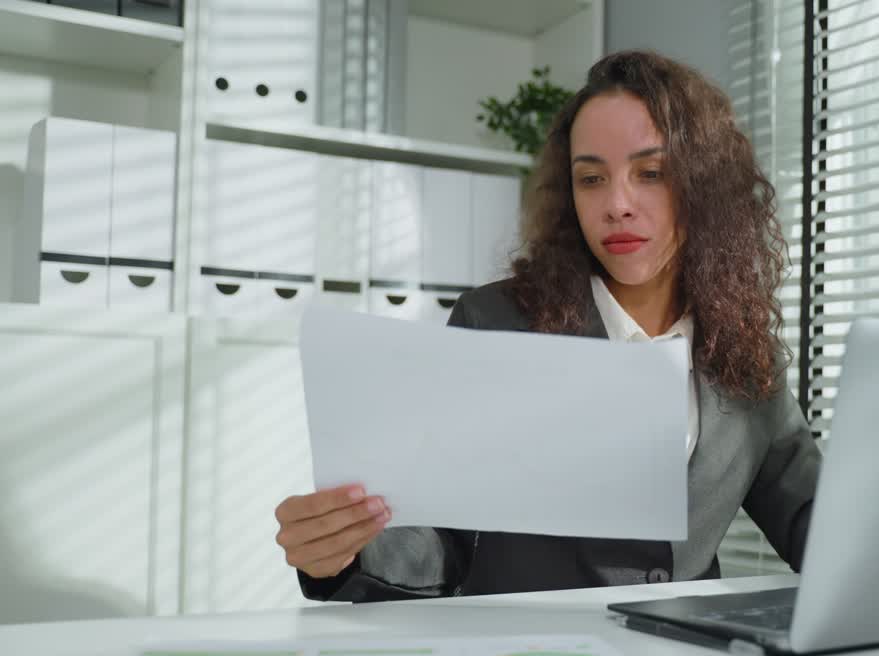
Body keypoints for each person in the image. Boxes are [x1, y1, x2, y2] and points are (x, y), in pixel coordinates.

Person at [275, 50, 821, 602]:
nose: (617, 204)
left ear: (704, 185)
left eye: (651, 173)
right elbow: (441, 536)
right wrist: (348, 549)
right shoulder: (494, 323)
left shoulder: (748, 356)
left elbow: (819, 524)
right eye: (591, 179)